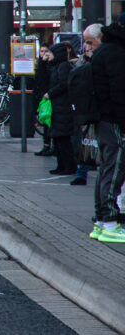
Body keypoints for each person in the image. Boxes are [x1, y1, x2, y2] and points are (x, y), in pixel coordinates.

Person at [89, 14, 125, 243]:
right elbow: (119, 93)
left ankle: (102, 222)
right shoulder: (117, 54)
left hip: (103, 119)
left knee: (106, 169)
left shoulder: (105, 50)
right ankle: (110, 222)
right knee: (114, 169)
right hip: (113, 120)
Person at [68, 25, 101, 186]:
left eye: (89, 43)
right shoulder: (82, 62)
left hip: (99, 110)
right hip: (86, 110)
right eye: (86, 44)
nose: (87, 47)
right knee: (84, 141)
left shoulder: (101, 60)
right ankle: (82, 171)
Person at [45, 42, 77, 176]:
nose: (48, 55)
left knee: (62, 139)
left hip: (62, 107)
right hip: (58, 106)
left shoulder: (64, 66)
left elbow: (63, 84)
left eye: (50, 53)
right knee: (58, 138)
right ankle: (61, 165)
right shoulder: (57, 66)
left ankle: (68, 166)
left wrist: (50, 93)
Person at [33, 44, 55, 156]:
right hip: (43, 97)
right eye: (41, 51)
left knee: (49, 123)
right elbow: (38, 79)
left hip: (49, 96)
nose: (43, 54)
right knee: (45, 122)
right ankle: (46, 145)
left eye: (45, 51)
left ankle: (50, 145)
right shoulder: (41, 64)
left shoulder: (51, 65)